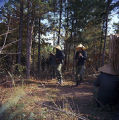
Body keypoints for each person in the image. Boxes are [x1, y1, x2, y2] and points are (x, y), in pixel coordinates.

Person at [94, 35, 119, 107]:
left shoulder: (101, 75)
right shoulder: (117, 78)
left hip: (100, 103)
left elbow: (95, 85)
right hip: (113, 104)